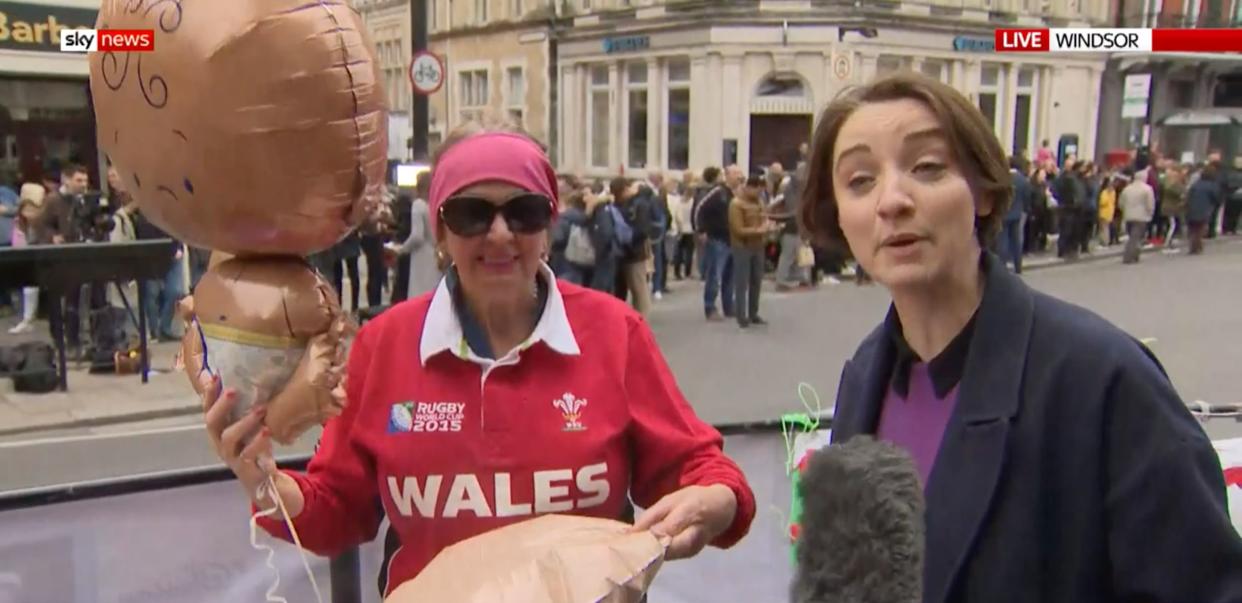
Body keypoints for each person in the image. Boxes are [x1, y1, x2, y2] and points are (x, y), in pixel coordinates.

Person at [202, 123, 755, 598]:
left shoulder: (614, 333)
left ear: (550, 226)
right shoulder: (385, 345)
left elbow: (699, 467)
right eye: (471, 214)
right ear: (440, 232)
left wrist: (717, 500)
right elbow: (338, 511)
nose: (499, 234)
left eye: (524, 212)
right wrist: (266, 482)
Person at [799, 72, 1242, 603]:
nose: (891, 200)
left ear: (982, 192)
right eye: (860, 180)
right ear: (840, 218)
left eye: (927, 167)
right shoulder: (865, 374)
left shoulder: (1101, 378)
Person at [728, 173, 771, 328]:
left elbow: (763, 217)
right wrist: (759, 230)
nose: (759, 194)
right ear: (749, 187)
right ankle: (741, 315)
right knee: (742, 282)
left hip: (758, 246)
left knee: (756, 281)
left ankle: (754, 313)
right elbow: (738, 229)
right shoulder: (736, 204)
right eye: (758, 190)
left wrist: (768, 226)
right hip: (742, 246)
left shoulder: (759, 202)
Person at [1119, 171, 1155, 264]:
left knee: (1132, 235)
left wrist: (1125, 210)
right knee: (1136, 238)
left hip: (1128, 215)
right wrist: (1150, 213)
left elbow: (1121, 203)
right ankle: (1129, 256)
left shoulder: (1127, 189)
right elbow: (1150, 204)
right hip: (1141, 216)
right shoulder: (1147, 189)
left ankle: (1135, 254)